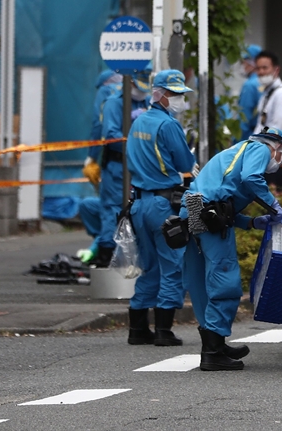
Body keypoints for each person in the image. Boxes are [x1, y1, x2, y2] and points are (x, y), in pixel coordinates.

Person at [180, 126, 282, 370]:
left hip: (194, 210)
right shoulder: (261, 149)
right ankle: (212, 352)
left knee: (201, 282)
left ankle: (215, 343)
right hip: (210, 215)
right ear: (278, 147)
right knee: (224, 278)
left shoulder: (237, 151)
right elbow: (251, 179)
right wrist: (274, 206)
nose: (280, 164)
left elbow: (224, 205)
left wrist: (251, 223)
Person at [125, 70, 197, 346]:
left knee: (149, 266)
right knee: (172, 266)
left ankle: (138, 328)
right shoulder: (168, 126)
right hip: (162, 203)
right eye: (176, 94)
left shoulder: (139, 122)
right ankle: (164, 330)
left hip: (139, 203)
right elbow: (183, 164)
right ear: (161, 94)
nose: (180, 99)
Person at [92, 70, 151, 267]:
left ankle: (131, 257)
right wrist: (138, 141)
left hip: (140, 167)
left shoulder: (146, 102)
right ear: (130, 82)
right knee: (113, 208)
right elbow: (111, 136)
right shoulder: (113, 103)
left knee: (138, 209)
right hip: (118, 165)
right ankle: (107, 254)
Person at [77, 70, 122, 262]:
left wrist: (91, 157)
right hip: (140, 165)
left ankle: (106, 252)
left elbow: (98, 125)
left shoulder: (106, 93)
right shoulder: (141, 95)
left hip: (115, 163)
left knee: (109, 208)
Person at [253, 50, 282, 191]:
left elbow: (277, 131)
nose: (261, 72)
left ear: (276, 69)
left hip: (275, 161)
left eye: (265, 68)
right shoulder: (267, 93)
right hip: (264, 158)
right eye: (258, 68)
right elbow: (260, 125)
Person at [237, 44, 263, 141]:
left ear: (252, 63)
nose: (242, 66)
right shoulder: (263, 83)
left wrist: (237, 142)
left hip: (249, 137)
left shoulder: (249, 85)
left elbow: (244, 119)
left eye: (243, 62)